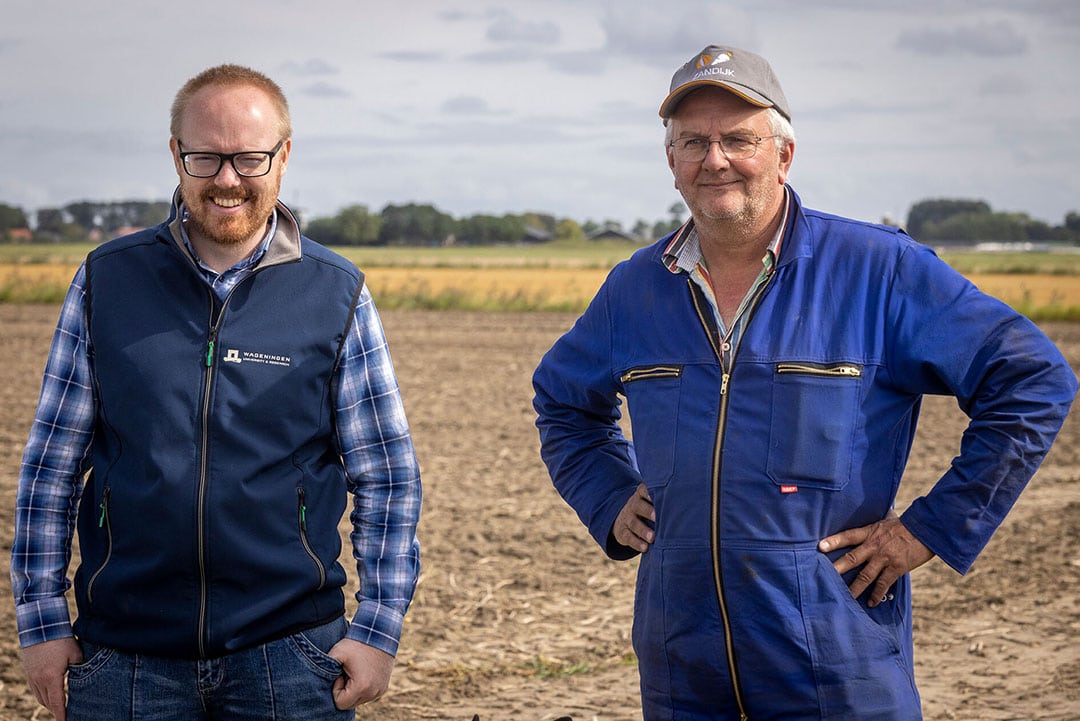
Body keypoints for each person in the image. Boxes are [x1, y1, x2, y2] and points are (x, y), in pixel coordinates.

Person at [531, 44, 1077, 720]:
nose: (716, 159)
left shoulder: (879, 271)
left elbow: (1031, 378)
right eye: (693, 141)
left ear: (784, 155)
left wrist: (927, 529)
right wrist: (609, 493)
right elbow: (562, 402)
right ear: (670, 161)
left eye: (738, 139)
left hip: (836, 673)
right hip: (683, 671)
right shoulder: (635, 288)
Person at [11, 64, 422, 721]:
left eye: (249, 157)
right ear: (176, 154)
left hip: (289, 656)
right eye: (206, 156)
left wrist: (377, 629)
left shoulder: (335, 292)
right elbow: (52, 465)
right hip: (122, 657)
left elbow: (387, 473)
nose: (227, 178)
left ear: (283, 157)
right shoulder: (106, 281)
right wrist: (40, 620)